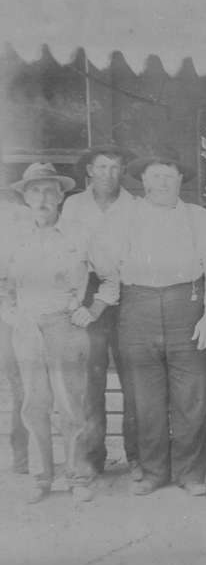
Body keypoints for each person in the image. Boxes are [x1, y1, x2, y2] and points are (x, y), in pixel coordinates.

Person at [0, 163, 119, 503]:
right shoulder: (13, 238)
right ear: (25, 197)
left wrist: (91, 310)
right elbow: (3, 284)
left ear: (62, 196)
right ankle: (42, 478)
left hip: (65, 327)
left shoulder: (80, 234)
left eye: (50, 190)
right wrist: (11, 314)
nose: (43, 198)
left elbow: (110, 279)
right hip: (27, 329)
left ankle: (78, 476)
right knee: (33, 405)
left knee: (71, 405)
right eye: (35, 190)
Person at [116, 148, 206, 497]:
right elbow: (104, 260)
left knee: (191, 397)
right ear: (144, 181)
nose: (162, 182)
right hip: (138, 306)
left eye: (169, 175)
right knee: (146, 399)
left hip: (186, 306)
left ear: (180, 180)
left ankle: (190, 473)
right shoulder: (127, 215)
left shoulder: (197, 216)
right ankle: (153, 472)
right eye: (155, 175)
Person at [59, 144, 139, 479]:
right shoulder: (74, 205)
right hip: (87, 294)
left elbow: (136, 253)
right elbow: (65, 253)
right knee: (90, 381)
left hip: (130, 295)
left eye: (115, 167)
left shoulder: (133, 206)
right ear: (89, 170)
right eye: (102, 167)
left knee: (133, 379)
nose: (109, 174)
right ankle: (93, 457)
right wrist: (79, 302)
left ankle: (136, 456)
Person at [0, 190, 28, 475]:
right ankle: (22, 457)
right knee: (22, 390)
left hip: (40, 320)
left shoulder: (34, 239)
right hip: (9, 325)